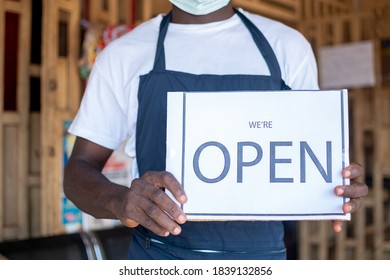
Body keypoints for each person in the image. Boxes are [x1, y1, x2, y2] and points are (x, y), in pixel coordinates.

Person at [64, 0, 368, 260]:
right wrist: (119, 200)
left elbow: (309, 156)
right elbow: (78, 172)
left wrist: (334, 186)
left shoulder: (287, 47)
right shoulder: (123, 56)